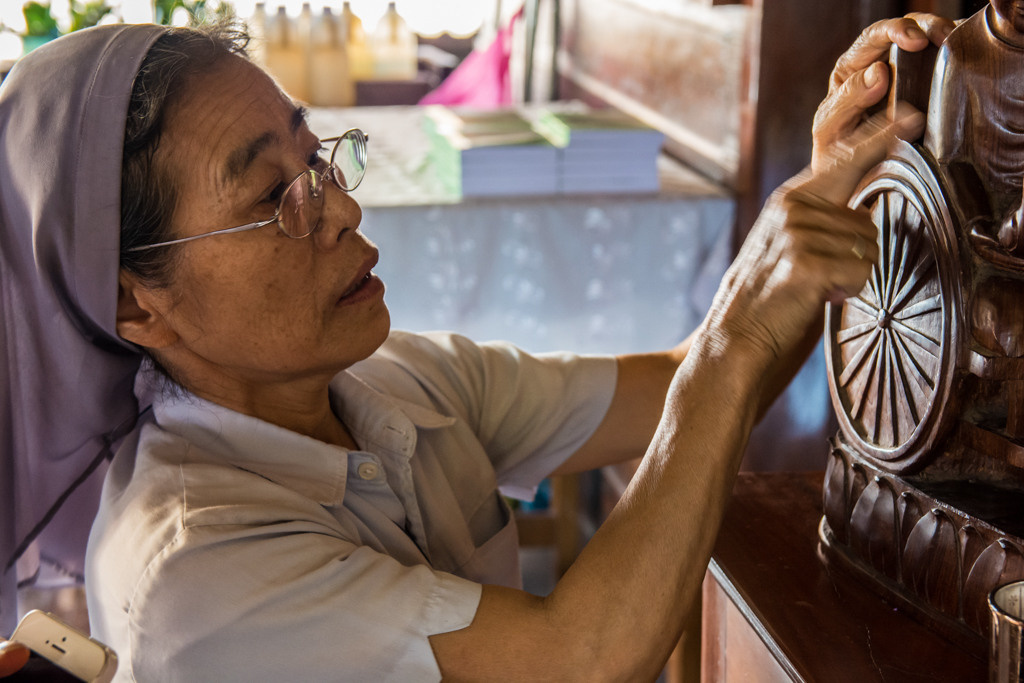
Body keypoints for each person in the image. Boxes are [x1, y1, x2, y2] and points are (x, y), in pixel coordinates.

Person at [0, 13, 950, 682]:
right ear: (138, 307)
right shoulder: (192, 569)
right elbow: (581, 656)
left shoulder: (395, 381)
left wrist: (824, 192)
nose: (342, 209)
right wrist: (739, 330)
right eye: (271, 201)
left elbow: (677, 387)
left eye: (319, 158)